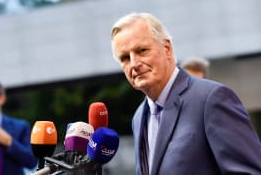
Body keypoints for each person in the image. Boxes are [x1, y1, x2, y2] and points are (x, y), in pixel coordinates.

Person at [111, 13, 261, 175]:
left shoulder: (211, 99)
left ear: (167, 48)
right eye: (125, 58)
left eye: (142, 51)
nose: (134, 64)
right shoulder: (139, 117)